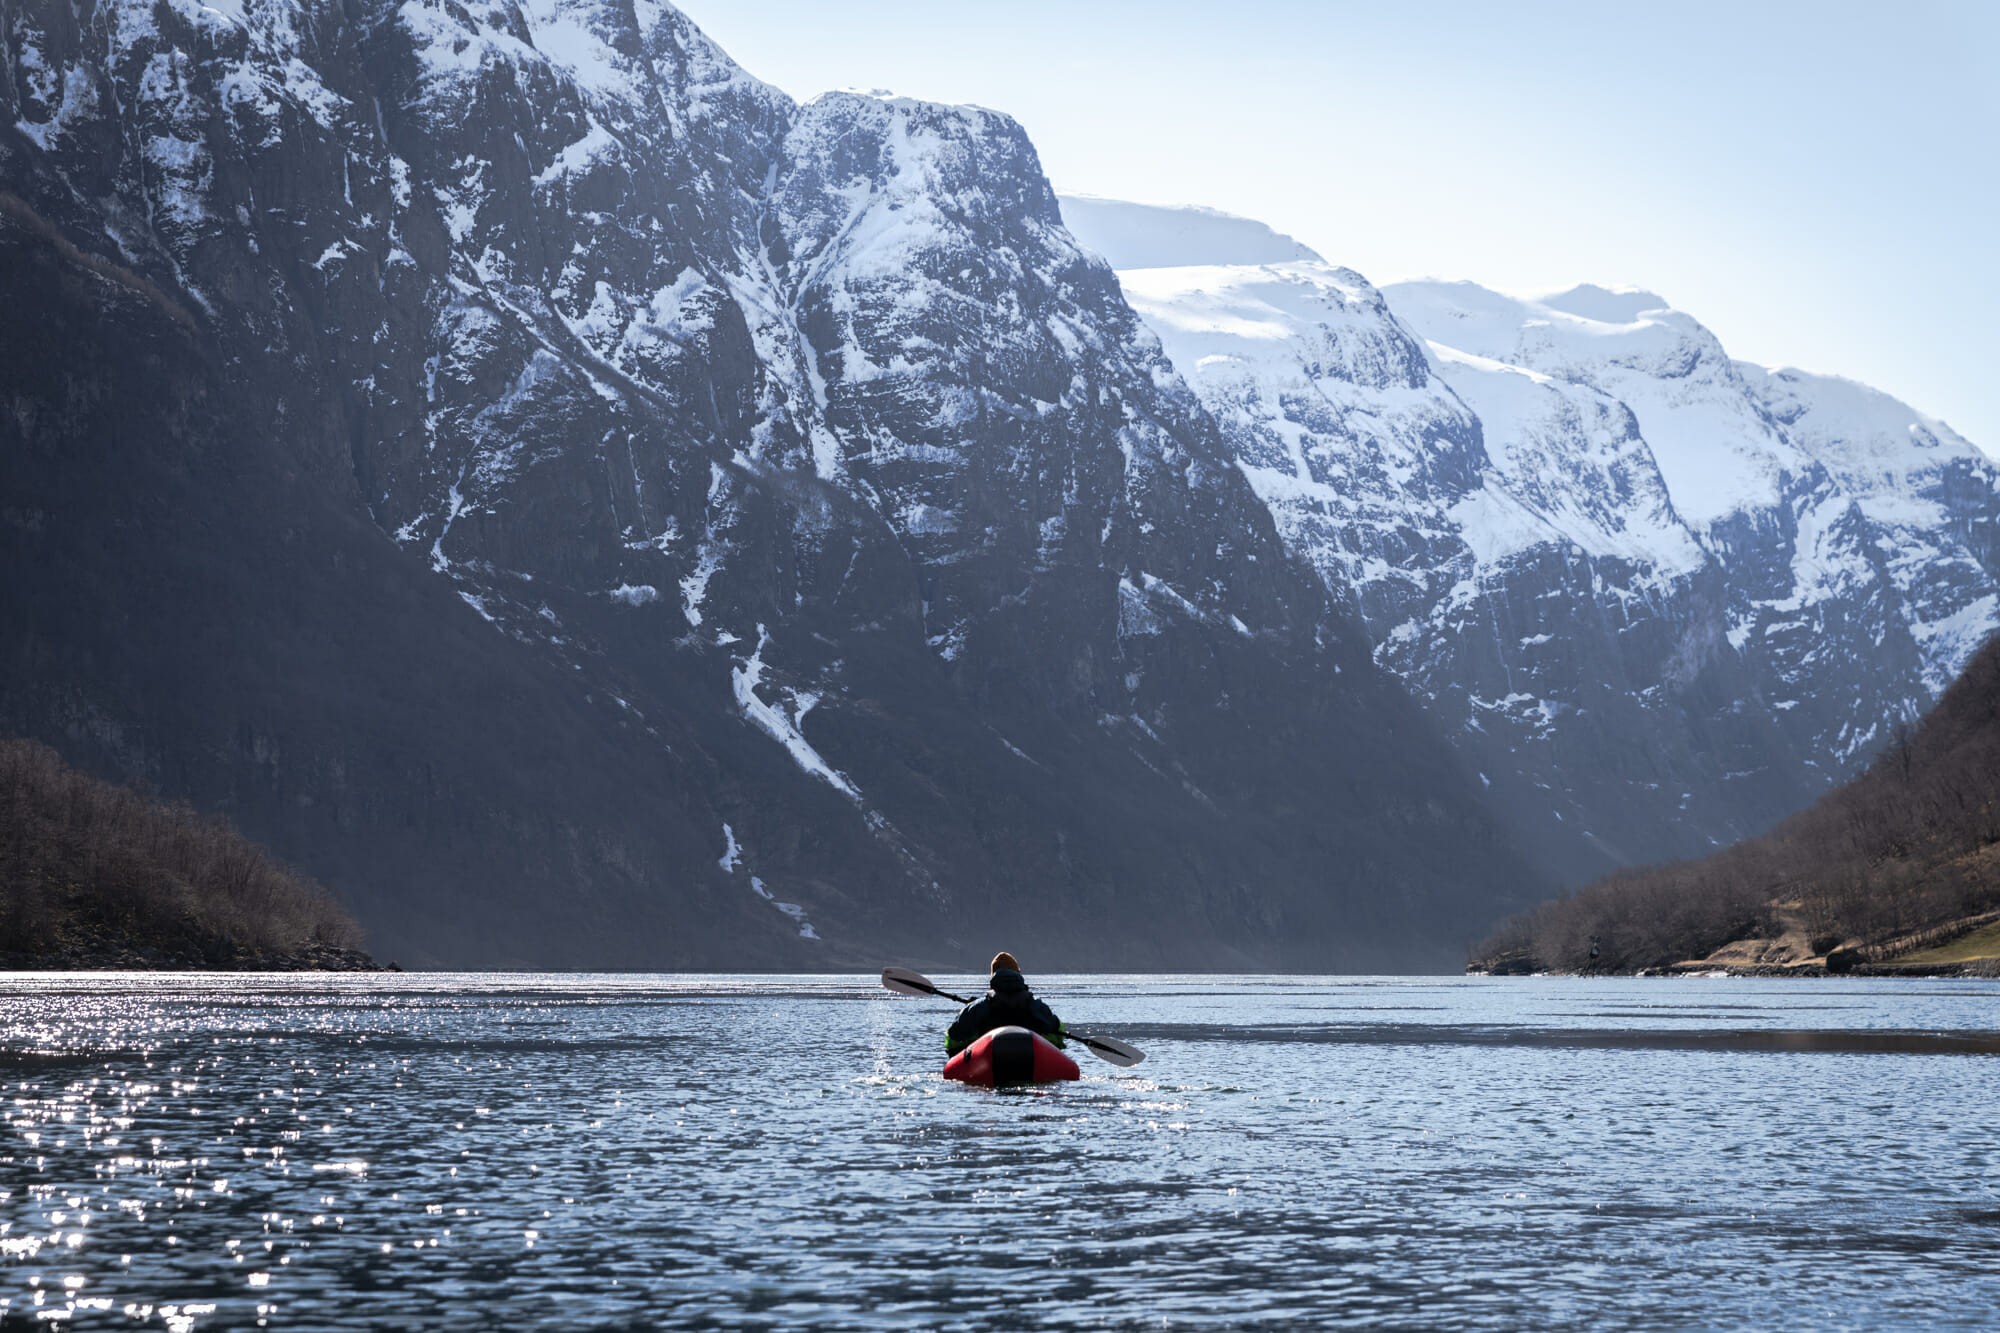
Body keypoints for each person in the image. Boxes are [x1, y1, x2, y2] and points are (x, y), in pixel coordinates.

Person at [945, 951, 1066, 1054]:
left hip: (991, 1060)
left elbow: (954, 1034)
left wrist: (968, 1010)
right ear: (1018, 974)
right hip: (1029, 1057)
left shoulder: (980, 1006)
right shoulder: (1036, 1005)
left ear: (993, 977)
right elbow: (1058, 1034)